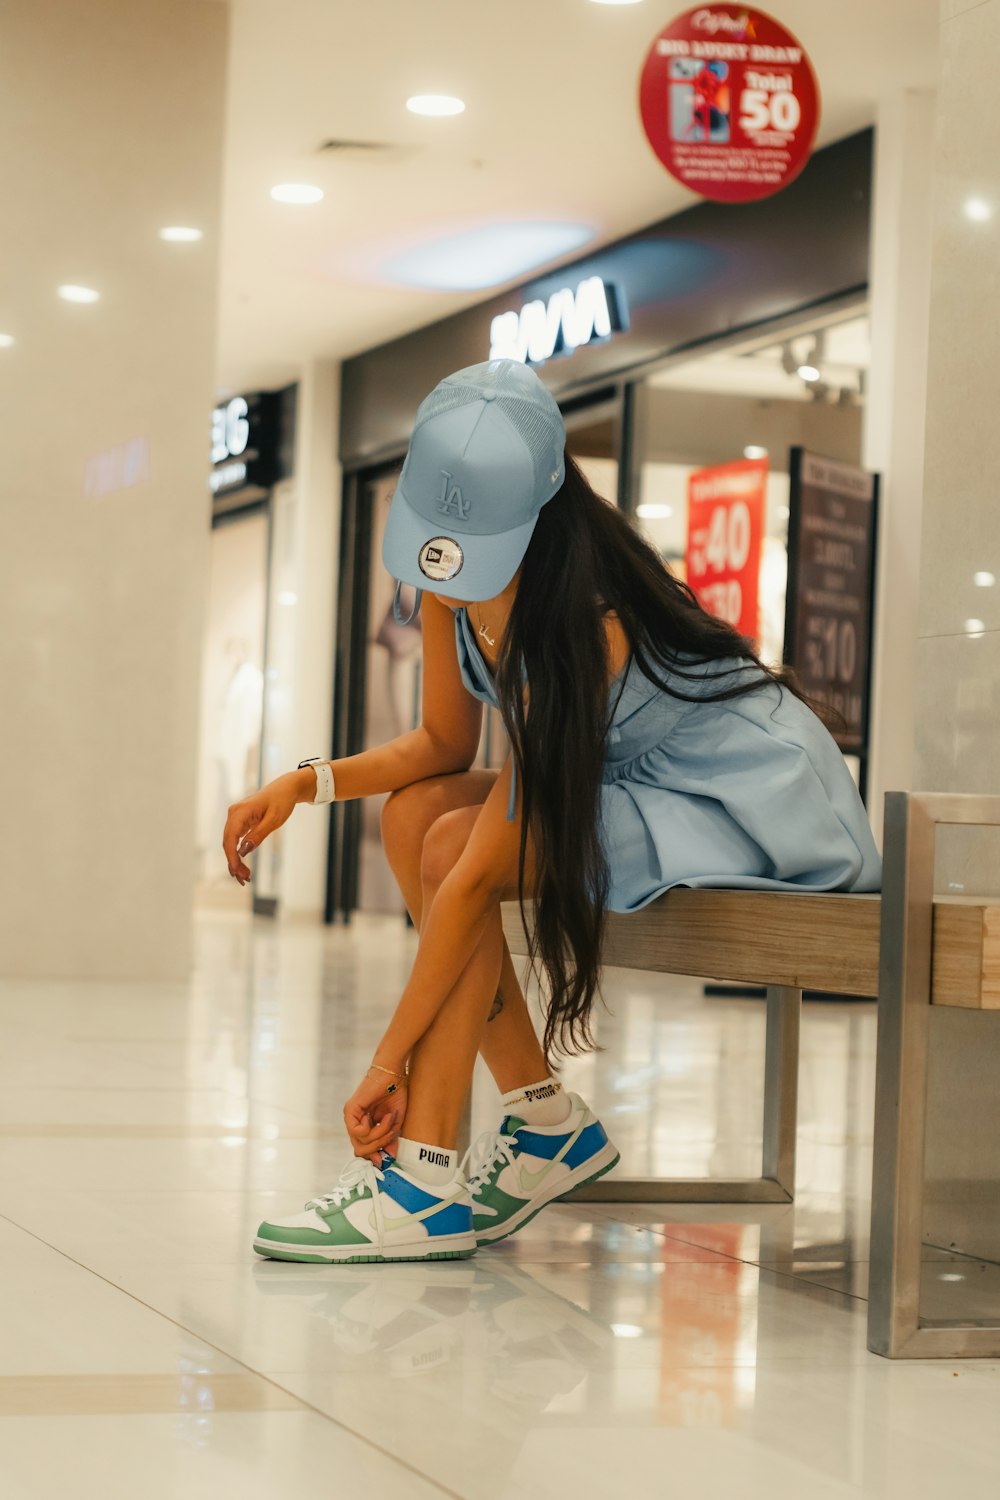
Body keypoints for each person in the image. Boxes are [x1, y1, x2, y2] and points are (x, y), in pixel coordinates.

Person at [222, 359, 881, 1266]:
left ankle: (423, 1177)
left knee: (457, 843)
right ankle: (545, 1128)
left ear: (529, 521)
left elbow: (478, 873)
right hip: (626, 778)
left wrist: (384, 1070)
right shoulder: (455, 586)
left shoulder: (582, 620)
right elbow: (441, 749)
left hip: (739, 796)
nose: (442, 559)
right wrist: (304, 782)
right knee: (416, 815)